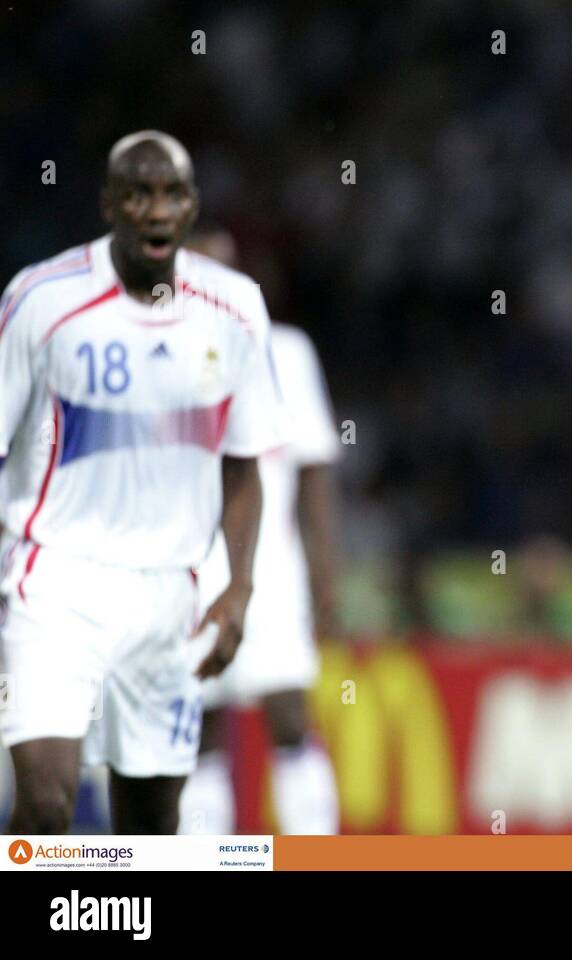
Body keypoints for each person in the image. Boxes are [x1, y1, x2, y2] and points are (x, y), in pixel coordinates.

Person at [0, 131, 281, 834]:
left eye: (172, 194)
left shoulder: (237, 309)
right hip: (55, 580)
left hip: (169, 592)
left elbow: (243, 464)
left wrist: (239, 586)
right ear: (108, 205)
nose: (156, 211)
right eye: (138, 194)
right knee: (46, 797)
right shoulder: (42, 300)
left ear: (191, 208)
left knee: (152, 826)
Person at [178, 229, 341, 836]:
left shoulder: (286, 351)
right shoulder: (159, 353)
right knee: (199, 726)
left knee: (289, 714)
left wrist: (325, 574)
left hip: (272, 563)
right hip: (190, 566)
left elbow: (317, 471)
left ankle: (313, 845)